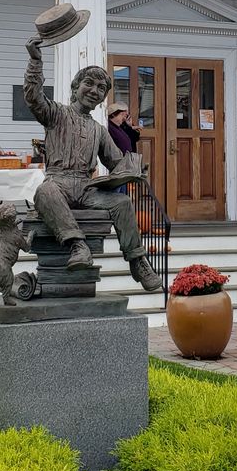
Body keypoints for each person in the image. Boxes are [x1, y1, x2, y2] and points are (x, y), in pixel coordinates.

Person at [24, 35, 163, 291]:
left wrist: (131, 171)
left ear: (102, 99)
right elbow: (33, 97)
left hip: (86, 188)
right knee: (44, 192)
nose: (94, 91)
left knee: (121, 202)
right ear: (76, 86)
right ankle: (77, 246)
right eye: (89, 83)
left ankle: (137, 260)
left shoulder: (99, 130)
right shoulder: (56, 113)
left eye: (101, 89)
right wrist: (35, 61)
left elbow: (115, 162)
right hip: (58, 181)